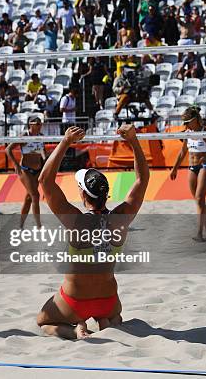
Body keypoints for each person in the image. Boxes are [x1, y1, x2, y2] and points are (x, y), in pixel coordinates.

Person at [36, 125, 149, 339]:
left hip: (76, 300)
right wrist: (134, 141)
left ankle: (75, 330)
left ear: (82, 193)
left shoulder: (77, 221)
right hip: (108, 300)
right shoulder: (121, 217)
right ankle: (105, 320)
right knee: (111, 315)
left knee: (43, 321)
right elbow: (142, 180)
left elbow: (44, 181)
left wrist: (65, 142)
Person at [170, 106, 206, 242]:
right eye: (185, 123)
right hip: (192, 167)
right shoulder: (187, 133)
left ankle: (199, 234)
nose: (186, 125)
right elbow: (182, 152)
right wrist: (174, 168)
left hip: (205, 166)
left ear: (196, 120)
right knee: (200, 202)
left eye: (188, 122)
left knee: (199, 199)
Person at [6, 116, 47, 229]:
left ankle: (20, 225)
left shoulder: (41, 136)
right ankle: (39, 226)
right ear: (31, 124)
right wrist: (15, 164)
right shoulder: (25, 136)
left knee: (29, 198)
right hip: (25, 170)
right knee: (35, 195)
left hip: (37, 170)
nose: (40, 126)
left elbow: (43, 151)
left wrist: (45, 160)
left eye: (40, 124)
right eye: (37, 124)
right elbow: (8, 149)